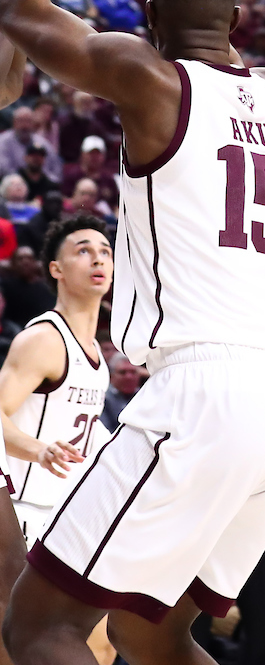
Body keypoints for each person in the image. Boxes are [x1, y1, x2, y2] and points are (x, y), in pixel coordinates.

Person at [0, 0, 265, 665]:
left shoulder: (149, 80)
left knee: (39, 627)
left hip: (202, 394)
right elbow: (202, 37)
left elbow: (20, 12)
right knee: (153, 630)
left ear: (153, 23)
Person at [0, 216, 114, 665]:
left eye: (104, 251)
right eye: (83, 250)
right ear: (56, 269)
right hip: (22, 510)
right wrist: (37, 448)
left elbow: (82, 430)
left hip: (64, 516)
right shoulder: (43, 340)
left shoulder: (97, 355)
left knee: (99, 643)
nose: (97, 258)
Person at [100, 355, 141, 433]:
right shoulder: (103, 398)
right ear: (111, 375)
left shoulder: (146, 397)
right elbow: (105, 431)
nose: (129, 377)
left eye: (133, 372)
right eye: (122, 372)